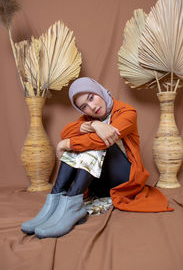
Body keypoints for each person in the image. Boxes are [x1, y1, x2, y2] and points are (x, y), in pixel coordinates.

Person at [21, 77, 173, 239]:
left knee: (89, 144)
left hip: (125, 180)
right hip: (99, 186)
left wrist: (67, 143)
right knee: (81, 144)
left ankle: (72, 201)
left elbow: (100, 141)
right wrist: (93, 125)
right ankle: (55, 200)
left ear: (99, 91)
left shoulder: (127, 112)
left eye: (91, 97)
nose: (92, 107)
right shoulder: (89, 119)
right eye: (84, 106)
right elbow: (65, 132)